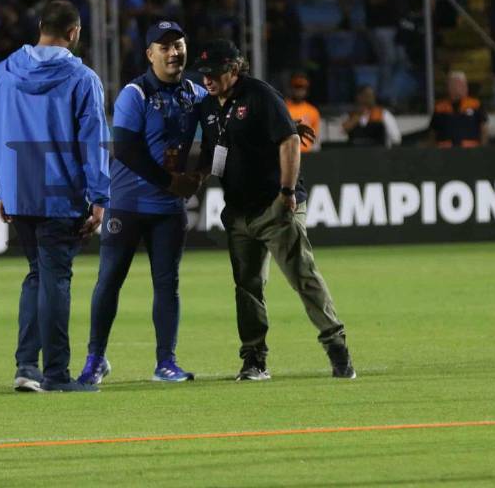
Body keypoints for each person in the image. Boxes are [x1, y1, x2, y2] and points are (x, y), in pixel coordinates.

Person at [195, 39, 355, 381]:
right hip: (238, 210)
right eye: (204, 73)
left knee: (302, 275)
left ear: (234, 70)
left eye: (214, 73)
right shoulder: (208, 107)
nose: (207, 80)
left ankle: (336, 345)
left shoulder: (260, 95)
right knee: (247, 285)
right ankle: (254, 359)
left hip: (275, 204)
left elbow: (289, 141)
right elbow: (213, 155)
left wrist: (286, 192)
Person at [0, 0, 110, 393]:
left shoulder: (2, 75)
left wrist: (1, 186)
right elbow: (94, 142)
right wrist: (99, 196)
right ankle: (55, 373)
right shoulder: (83, 79)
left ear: (40, 27)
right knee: (55, 278)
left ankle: (26, 366)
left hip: (20, 190)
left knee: (37, 275)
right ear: (74, 33)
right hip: (60, 193)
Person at [77, 21, 206, 385]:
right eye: (163, 47)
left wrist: (203, 174)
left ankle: (166, 363)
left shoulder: (195, 94)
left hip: (167, 210)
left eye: (178, 45)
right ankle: (94, 360)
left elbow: (218, 134)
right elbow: (128, 150)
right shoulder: (135, 93)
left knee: (167, 284)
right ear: (150, 54)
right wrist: (173, 182)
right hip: (128, 205)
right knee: (109, 281)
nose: (173, 52)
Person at [428, 71, 489, 148]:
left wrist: (482, 149)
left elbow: (484, 129)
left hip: (471, 152)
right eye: (454, 85)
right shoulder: (439, 107)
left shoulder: (476, 105)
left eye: (463, 85)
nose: (461, 87)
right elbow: (433, 132)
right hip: (444, 153)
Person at [285, 72, 321, 152]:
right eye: (296, 87)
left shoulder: (313, 111)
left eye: (302, 87)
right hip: (290, 154)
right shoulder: (283, 108)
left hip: (308, 154)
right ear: (291, 88)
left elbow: (316, 138)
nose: (299, 90)